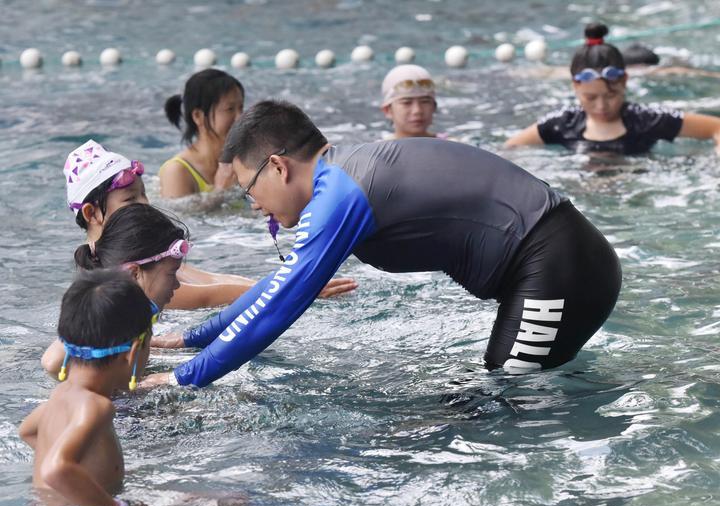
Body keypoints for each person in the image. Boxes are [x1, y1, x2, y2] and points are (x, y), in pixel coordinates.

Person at [141, 99, 622, 389]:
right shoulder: (343, 173)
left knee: (504, 405)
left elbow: (278, 308)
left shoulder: (340, 195)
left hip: (558, 267)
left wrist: (185, 377)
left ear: (278, 167)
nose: (254, 205)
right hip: (561, 263)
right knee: (495, 396)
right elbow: (277, 291)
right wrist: (190, 340)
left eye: (250, 189)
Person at [63, 140, 357, 310]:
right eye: (130, 199)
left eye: (143, 193)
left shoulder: (140, 254)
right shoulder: (116, 273)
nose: (144, 204)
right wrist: (295, 286)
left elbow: (205, 278)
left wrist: (287, 278)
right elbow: (204, 294)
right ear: (92, 213)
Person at [19, 269, 153, 506]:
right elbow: (55, 468)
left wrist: (64, 491)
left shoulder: (61, 394)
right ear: (133, 351)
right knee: (223, 502)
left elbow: (27, 431)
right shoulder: (96, 406)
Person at [504, 23, 720, 154]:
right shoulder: (563, 123)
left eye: (611, 95)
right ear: (575, 87)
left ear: (625, 82)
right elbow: (511, 148)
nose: (601, 106)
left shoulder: (646, 119)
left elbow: (716, 127)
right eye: (590, 98)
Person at [41, 203, 188, 376]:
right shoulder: (104, 312)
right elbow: (51, 362)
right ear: (134, 273)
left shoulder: (132, 314)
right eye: (171, 274)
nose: (177, 285)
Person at [159, 69, 243, 198]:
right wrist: (221, 193)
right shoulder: (176, 171)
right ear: (198, 116)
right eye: (230, 109)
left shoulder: (242, 161)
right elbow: (177, 217)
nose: (240, 118)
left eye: (241, 108)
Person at [380, 64, 447, 140]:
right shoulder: (377, 150)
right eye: (406, 103)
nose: (417, 111)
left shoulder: (452, 147)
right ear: (387, 110)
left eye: (425, 101)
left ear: (434, 107)